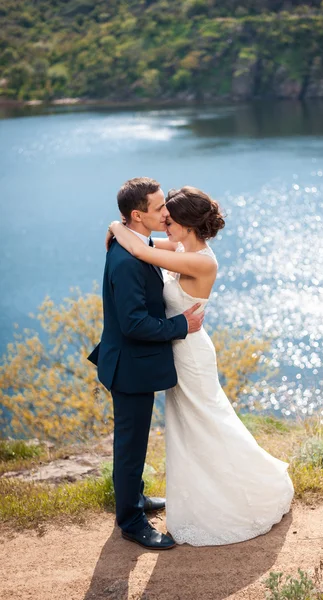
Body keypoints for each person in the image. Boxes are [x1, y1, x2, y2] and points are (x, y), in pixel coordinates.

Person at [107, 185, 294, 547]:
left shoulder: (201, 261)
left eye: (170, 218)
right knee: (187, 428)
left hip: (190, 354)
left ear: (188, 225)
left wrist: (116, 227)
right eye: (161, 214)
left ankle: (244, 493)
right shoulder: (179, 247)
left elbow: (136, 250)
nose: (164, 222)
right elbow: (142, 247)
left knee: (207, 422)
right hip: (176, 348)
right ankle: (194, 496)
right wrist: (122, 227)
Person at [88, 177, 204, 551]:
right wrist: (180, 325)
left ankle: (134, 499)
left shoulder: (136, 242)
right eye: (159, 208)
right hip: (129, 367)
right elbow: (134, 323)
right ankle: (131, 521)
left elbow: (145, 248)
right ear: (137, 215)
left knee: (134, 441)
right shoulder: (125, 261)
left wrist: (115, 226)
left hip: (135, 363)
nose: (166, 212)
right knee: (130, 445)